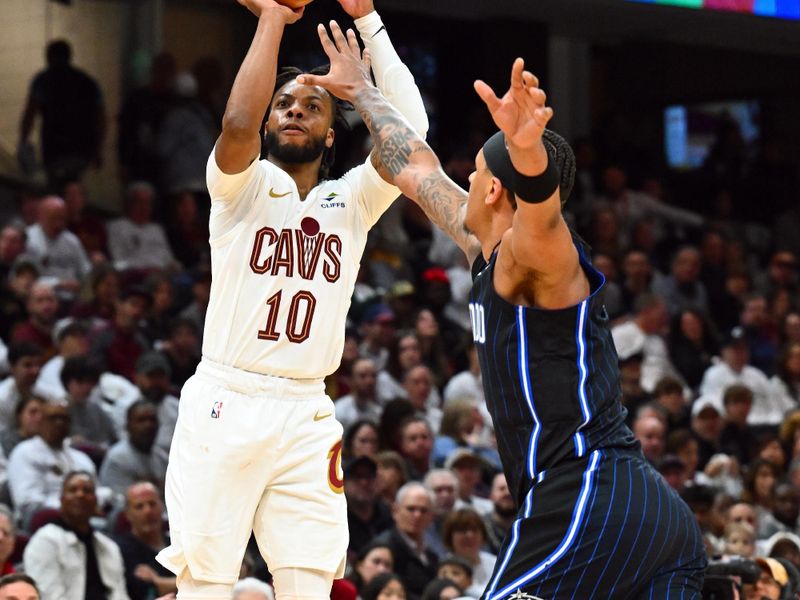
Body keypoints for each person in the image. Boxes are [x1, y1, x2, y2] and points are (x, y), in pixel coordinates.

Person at [301, 28, 706, 596]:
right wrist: (363, 92)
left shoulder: (537, 258)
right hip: (639, 514)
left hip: (591, 491)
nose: (464, 176)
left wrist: (526, 153)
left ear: (493, 191)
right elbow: (412, 165)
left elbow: (540, 213)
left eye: (478, 172)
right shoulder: (483, 250)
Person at [154, 0, 428, 598]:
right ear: (269, 121)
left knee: (311, 581)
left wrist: (369, 22)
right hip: (228, 396)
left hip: (306, 408)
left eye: (312, 105)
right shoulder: (240, 186)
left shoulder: (352, 201)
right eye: (284, 104)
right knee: (205, 582)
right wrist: (273, 19)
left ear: (333, 133)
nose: (295, 110)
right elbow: (234, 128)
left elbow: (411, 135)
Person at [23, 471, 129, 600]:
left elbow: (120, 595)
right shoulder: (44, 541)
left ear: (96, 501)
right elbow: (49, 597)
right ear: (61, 500)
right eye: (73, 490)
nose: (80, 495)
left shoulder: (109, 547)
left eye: (87, 490)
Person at [18, 40, 105, 186]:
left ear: (49, 57)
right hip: (82, 149)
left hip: (55, 148)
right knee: (75, 186)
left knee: (55, 188)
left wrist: (23, 140)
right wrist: (98, 149)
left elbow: (30, 113)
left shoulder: (43, 80)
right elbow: (101, 118)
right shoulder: (88, 82)